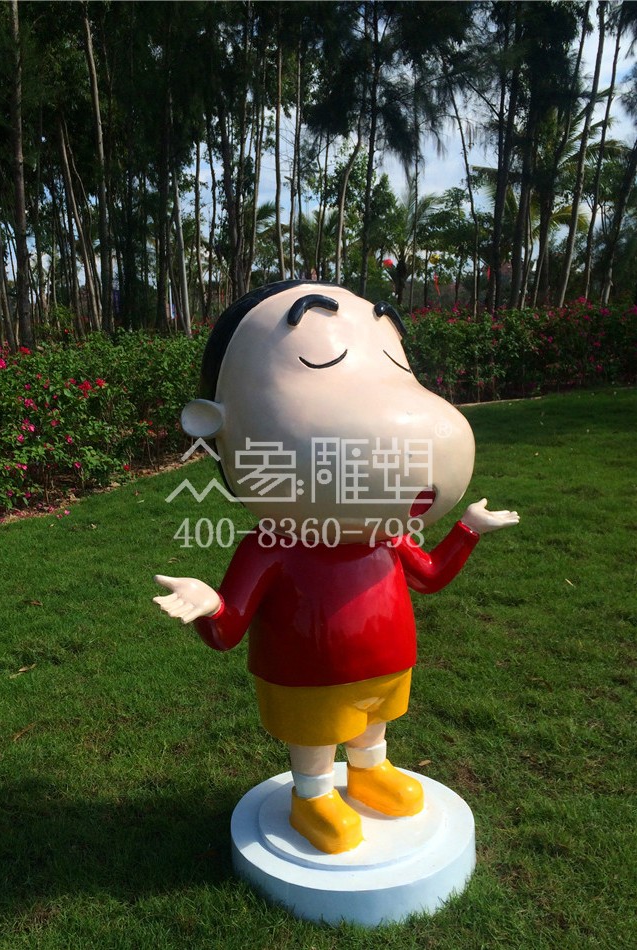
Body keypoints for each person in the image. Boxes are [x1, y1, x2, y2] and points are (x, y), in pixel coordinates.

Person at [154, 282, 519, 853]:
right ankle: (313, 794)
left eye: (395, 361)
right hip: (306, 672)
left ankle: (370, 769)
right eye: (319, 362)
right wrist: (208, 604)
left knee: (373, 723)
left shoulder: (386, 536)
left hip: (386, 661)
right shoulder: (272, 545)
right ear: (216, 426)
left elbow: (428, 576)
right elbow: (227, 631)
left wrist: (467, 528)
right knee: (317, 733)